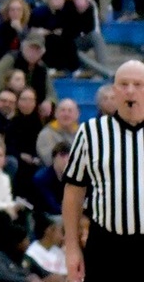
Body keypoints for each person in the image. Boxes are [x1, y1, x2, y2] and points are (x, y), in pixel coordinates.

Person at [62, 59, 144, 280]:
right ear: (114, 90)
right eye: (123, 84)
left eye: (138, 84)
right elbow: (73, 192)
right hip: (106, 245)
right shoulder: (90, 132)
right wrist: (71, 247)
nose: (130, 91)